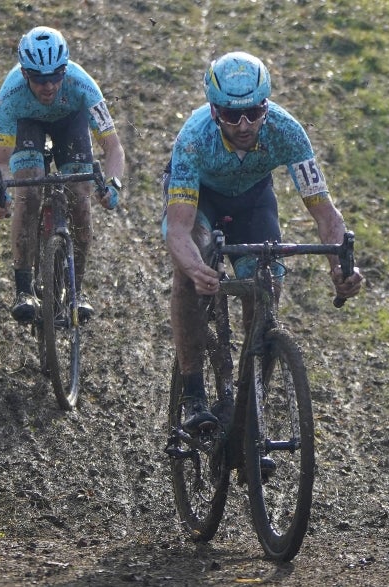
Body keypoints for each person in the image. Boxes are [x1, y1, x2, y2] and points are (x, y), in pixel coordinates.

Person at [162, 51, 363, 434]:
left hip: (252, 202)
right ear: (214, 110)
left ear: (266, 106)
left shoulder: (287, 132)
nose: (244, 125)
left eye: (253, 113)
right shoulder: (193, 139)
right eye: (231, 114)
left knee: (267, 284)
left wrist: (341, 267)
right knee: (192, 267)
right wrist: (194, 269)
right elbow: (178, 231)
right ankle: (193, 393)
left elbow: (326, 214)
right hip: (200, 201)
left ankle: (252, 401)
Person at [0, 26, 126, 323]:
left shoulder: (83, 86)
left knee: (80, 198)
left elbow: (113, 147)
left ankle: (77, 291)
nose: (49, 86)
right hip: (27, 124)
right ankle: (23, 290)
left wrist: (113, 184)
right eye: (39, 79)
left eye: (56, 76)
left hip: (70, 123)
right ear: (24, 74)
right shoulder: (9, 96)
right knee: (28, 193)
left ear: (66, 69)